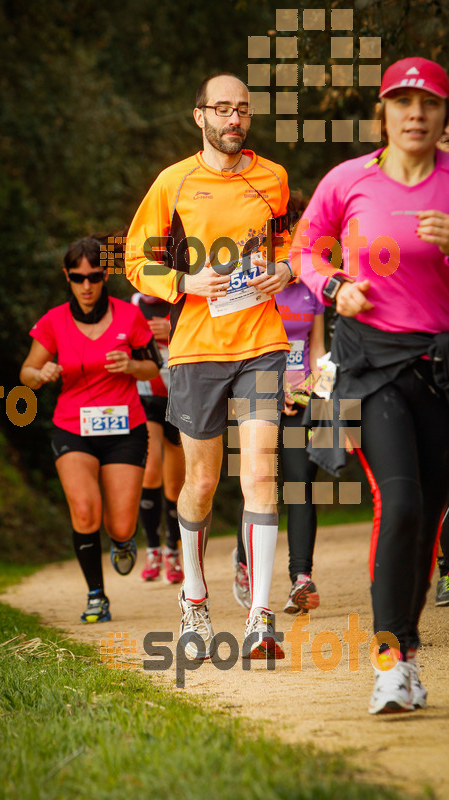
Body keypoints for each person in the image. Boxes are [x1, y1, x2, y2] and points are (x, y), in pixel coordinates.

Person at [291, 58, 449, 714]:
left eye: (428, 103)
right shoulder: (346, 180)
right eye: (401, 102)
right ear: (382, 112)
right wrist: (333, 286)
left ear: (442, 115)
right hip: (370, 364)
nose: (414, 113)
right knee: (402, 501)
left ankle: (406, 655)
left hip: (440, 364)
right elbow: (303, 249)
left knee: (431, 515)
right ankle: (387, 660)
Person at [126, 73, 295, 660]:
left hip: (261, 343)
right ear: (199, 116)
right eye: (222, 109)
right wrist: (182, 281)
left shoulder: (273, 178)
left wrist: (288, 270)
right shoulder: (173, 182)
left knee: (259, 476)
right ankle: (194, 601)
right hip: (198, 347)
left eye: (242, 110)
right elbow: (134, 257)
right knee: (200, 483)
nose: (234, 119)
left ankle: (261, 616)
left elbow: (290, 242)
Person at [20, 237, 161, 623]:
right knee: (84, 512)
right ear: (68, 277)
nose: (87, 286)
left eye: (95, 277)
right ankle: (96, 595)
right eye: (78, 277)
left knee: (121, 523)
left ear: (105, 277)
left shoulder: (129, 317)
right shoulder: (53, 321)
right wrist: (40, 373)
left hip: (125, 430)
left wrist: (132, 367)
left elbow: (154, 365)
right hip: (73, 428)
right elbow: (26, 372)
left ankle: (122, 541)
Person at [233, 258, 326, 614]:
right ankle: (244, 563)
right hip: (256, 395)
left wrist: (315, 391)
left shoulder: (313, 289)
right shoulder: (250, 282)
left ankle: (301, 579)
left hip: (301, 400)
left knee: (301, 484)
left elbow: (317, 349)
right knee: (260, 480)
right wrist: (271, 390)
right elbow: (238, 348)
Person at [130, 292, 185, 584]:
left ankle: (171, 553)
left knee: (175, 485)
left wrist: (174, 331)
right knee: (150, 472)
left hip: (179, 398)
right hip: (147, 398)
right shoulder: (134, 303)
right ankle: (151, 550)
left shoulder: (184, 294)